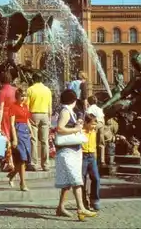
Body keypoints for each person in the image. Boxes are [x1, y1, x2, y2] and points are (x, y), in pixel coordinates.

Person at [55, 89, 97, 221]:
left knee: (68, 182)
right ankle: (81, 209)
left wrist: (77, 124)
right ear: (73, 99)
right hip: (68, 151)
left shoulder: (68, 111)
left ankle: (60, 208)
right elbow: (60, 128)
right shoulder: (65, 112)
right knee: (76, 180)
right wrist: (76, 129)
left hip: (72, 150)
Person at [8, 88, 32, 191]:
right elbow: (12, 124)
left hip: (26, 132)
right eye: (21, 96)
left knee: (26, 159)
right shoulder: (13, 107)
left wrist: (31, 132)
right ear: (17, 97)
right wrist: (15, 138)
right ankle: (23, 183)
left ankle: (12, 175)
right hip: (18, 131)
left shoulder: (26, 106)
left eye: (25, 96)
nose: (23, 98)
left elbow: (27, 120)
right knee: (22, 158)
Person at [27, 72, 52, 171]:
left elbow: (27, 105)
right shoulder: (47, 90)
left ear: (33, 79)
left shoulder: (30, 89)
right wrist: (49, 118)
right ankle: (45, 164)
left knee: (34, 140)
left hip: (34, 114)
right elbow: (50, 106)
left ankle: (34, 163)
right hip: (45, 114)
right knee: (45, 141)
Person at [0, 71, 17, 169]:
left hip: (6, 116)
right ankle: (16, 161)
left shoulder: (2, 92)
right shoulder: (15, 90)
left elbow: (0, 108)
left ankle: (10, 162)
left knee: (7, 139)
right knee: (14, 137)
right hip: (15, 114)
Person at [82, 114, 101, 211]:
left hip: (92, 156)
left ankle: (95, 200)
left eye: (95, 124)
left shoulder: (94, 132)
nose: (94, 126)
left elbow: (95, 145)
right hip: (83, 156)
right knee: (83, 180)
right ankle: (83, 201)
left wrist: (96, 157)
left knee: (96, 178)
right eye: (92, 124)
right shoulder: (81, 132)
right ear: (86, 123)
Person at [87, 95, 105, 166]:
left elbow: (89, 118)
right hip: (101, 123)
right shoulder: (99, 108)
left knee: (93, 142)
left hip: (94, 124)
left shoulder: (89, 109)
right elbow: (103, 118)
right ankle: (102, 160)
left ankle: (94, 159)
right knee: (101, 142)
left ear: (89, 102)